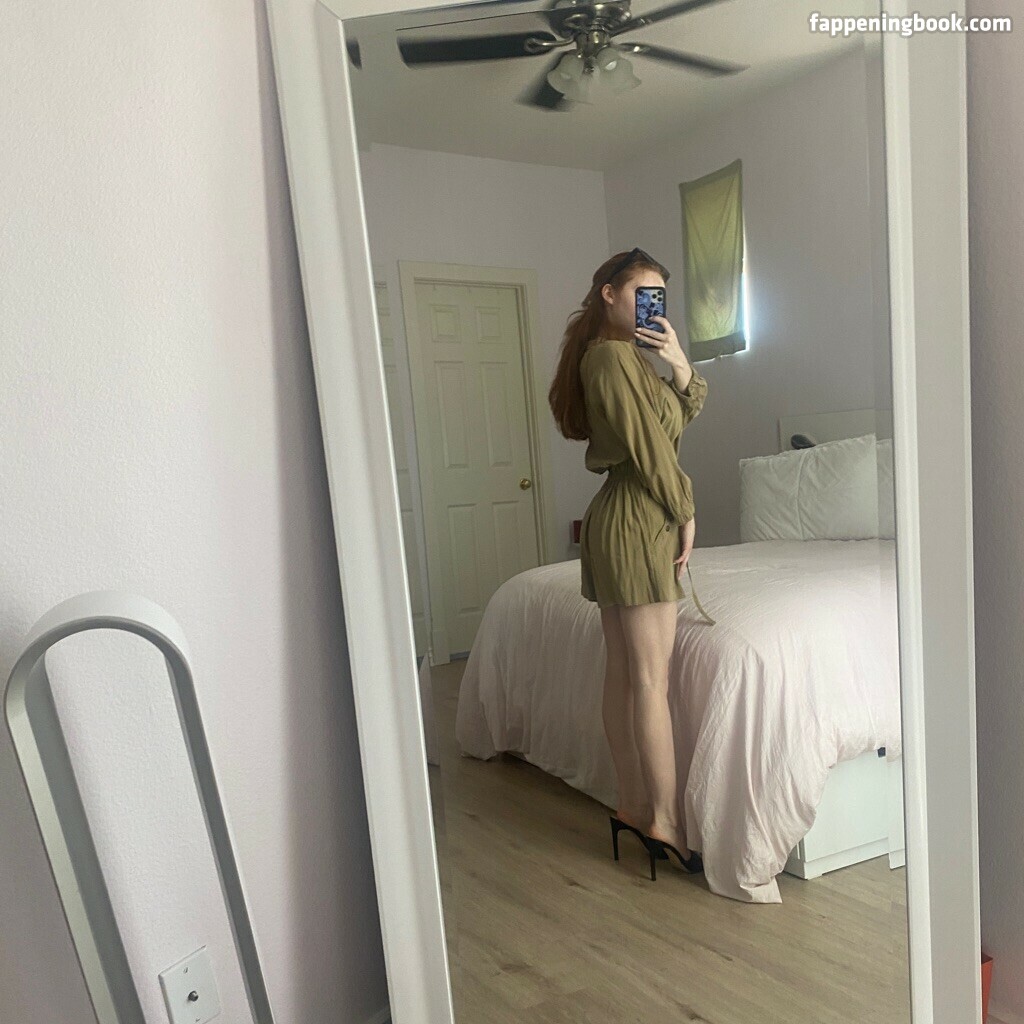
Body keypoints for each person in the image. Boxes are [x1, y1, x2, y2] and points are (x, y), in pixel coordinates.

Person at [548, 248, 708, 881]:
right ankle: (663, 820)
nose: (651, 305)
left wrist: (679, 364)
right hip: (638, 516)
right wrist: (685, 508)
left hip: (625, 516)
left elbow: (669, 423)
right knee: (648, 681)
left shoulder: (626, 360)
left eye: (658, 297)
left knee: (626, 675)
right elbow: (650, 451)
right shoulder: (611, 359)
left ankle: (635, 807)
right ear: (609, 294)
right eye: (642, 292)